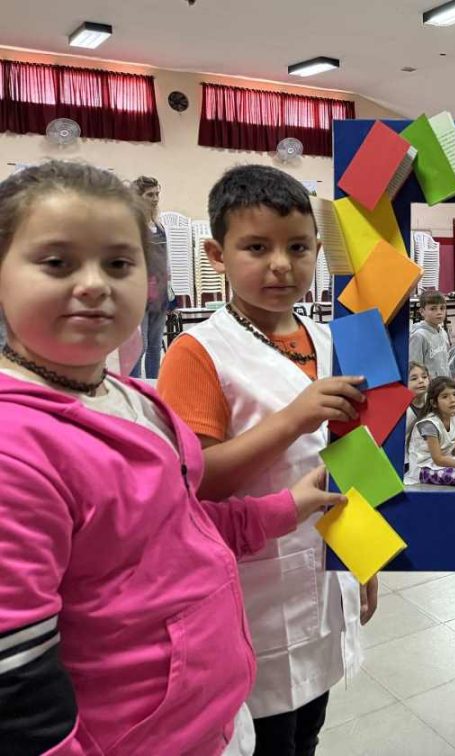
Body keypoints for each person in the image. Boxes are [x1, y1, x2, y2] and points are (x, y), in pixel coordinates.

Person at [0, 161, 341, 753]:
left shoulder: (136, 402)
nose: (93, 285)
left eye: (119, 264)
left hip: (210, 714)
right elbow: (17, 685)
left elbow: (182, 523)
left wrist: (290, 512)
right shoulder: (16, 448)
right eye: (56, 262)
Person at [157, 165, 371, 754]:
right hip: (248, 586)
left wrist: (365, 563)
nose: (281, 264)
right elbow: (195, 481)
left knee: (308, 730)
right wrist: (295, 416)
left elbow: (352, 459)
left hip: (326, 572)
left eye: (298, 248)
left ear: (318, 252)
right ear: (216, 255)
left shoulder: (331, 338)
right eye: (256, 247)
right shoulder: (198, 351)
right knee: (263, 736)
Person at [129, 176, 169, 379]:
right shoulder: (132, 226)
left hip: (160, 294)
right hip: (140, 293)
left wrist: (170, 294)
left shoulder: (158, 226)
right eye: (149, 195)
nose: (155, 199)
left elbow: (165, 262)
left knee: (155, 346)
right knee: (140, 345)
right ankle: (134, 387)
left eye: (157, 194)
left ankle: (155, 388)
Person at [410, 291, 451, 379]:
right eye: (433, 309)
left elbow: (446, 362)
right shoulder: (418, 336)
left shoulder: (443, 332)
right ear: (422, 311)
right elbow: (415, 366)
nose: (439, 312)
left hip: (443, 385)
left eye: (442, 308)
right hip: (429, 388)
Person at [406, 361, 429, 455]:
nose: (421, 381)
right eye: (414, 378)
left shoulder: (433, 402)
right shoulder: (403, 411)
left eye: (424, 377)